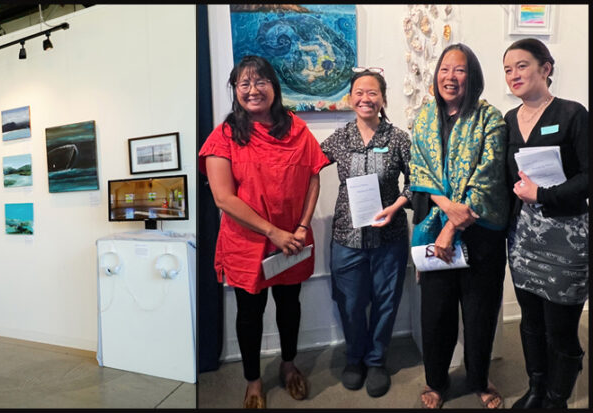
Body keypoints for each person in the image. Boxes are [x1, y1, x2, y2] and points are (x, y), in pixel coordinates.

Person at [198, 55, 328, 409]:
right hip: (247, 245)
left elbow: (314, 175)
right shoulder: (224, 135)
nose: (253, 90)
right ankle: (253, 381)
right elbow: (223, 198)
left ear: (274, 86)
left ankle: (288, 365)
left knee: (289, 307)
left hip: (292, 241)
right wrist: (273, 232)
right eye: (244, 84)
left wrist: (300, 227)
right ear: (235, 90)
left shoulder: (298, 129)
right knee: (249, 314)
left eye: (260, 82)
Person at [409, 43, 510, 409]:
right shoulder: (424, 117)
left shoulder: (490, 118)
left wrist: (451, 229)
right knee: (435, 314)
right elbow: (419, 170)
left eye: (460, 70)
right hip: (436, 228)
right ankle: (436, 382)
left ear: (473, 76)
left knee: (480, 312)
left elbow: (487, 177)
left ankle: (480, 379)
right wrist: (447, 210)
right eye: (444, 70)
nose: (450, 77)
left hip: (479, 233)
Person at [501, 38, 588, 409]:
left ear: (545, 69)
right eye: (507, 69)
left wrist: (545, 195)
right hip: (523, 238)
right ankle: (536, 389)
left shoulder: (572, 114)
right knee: (530, 321)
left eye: (522, 65)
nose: (514, 75)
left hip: (565, 238)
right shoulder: (507, 120)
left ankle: (557, 399)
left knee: (561, 328)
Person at [319, 67, 411, 398]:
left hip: (389, 236)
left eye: (372, 92)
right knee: (351, 302)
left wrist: (398, 204)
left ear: (383, 99)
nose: (365, 98)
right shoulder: (340, 137)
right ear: (350, 99)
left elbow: (417, 182)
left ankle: (376, 361)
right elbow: (307, 164)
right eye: (359, 92)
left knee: (386, 302)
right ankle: (354, 358)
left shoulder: (398, 138)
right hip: (347, 237)